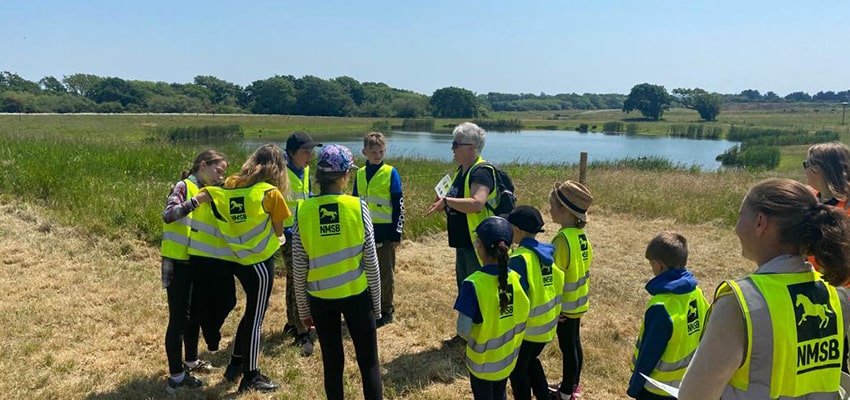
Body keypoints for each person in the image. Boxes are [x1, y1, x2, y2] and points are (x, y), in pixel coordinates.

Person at [678, 178, 850, 399]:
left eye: (740, 216)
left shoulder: (740, 304)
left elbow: (693, 396)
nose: (736, 228)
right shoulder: (835, 295)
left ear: (760, 223)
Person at [292, 144, 383, 400]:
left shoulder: (303, 210)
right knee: (369, 362)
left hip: (321, 300)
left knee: (332, 364)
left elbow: (299, 267)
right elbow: (371, 261)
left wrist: (303, 310)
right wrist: (377, 306)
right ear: (345, 176)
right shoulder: (357, 207)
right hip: (357, 296)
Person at [203, 143, 291, 394]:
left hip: (235, 259)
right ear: (278, 168)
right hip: (259, 262)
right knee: (256, 318)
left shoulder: (231, 184)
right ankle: (251, 375)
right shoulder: (270, 193)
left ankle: (235, 364)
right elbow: (279, 231)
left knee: (251, 312)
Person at [160, 150, 227, 393]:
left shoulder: (209, 191)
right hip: (178, 263)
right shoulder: (184, 186)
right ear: (203, 165)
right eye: (218, 170)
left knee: (194, 317)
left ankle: (190, 361)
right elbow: (168, 215)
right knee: (178, 320)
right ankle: (176, 377)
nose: (221, 176)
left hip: (197, 262)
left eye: (223, 173)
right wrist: (196, 201)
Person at [426, 122, 496, 340]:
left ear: (471, 147)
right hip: (464, 242)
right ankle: (465, 334)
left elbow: (477, 203)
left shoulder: (481, 172)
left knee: (477, 289)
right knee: (466, 287)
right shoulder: (462, 170)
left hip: (478, 245)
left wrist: (447, 201)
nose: (452, 148)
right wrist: (444, 202)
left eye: (456, 144)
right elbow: (457, 200)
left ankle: (479, 336)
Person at [454, 216, 530, 400]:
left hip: (482, 364)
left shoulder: (473, 284)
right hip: (507, 359)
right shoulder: (516, 278)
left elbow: (463, 329)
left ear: (480, 247)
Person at [627, 232, 708, 400]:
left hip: (656, 389)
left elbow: (649, 354)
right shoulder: (697, 294)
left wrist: (634, 387)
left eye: (651, 263)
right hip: (686, 385)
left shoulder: (661, 307)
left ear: (659, 265)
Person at [504, 206, 564, 400]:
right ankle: (544, 396)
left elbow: (515, 297)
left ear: (517, 230)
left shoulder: (519, 259)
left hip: (528, 330)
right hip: (546, 326)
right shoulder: (545, 254)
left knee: (517, 369)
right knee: (531, 361)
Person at [353, 132, 404, 327]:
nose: (378, 155)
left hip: (386, 232)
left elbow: (399, 205)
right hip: (364, 231)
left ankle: (386, 308)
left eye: (381, 151)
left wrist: (397, 233)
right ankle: (370, 306)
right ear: (364, 152)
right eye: (373, 152)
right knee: (366, 271)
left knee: (385, 273)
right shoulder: (359, 174)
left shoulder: (391, 172)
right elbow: (354, 203)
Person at [548, 180, 594, 400]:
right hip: (578, 301)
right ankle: (573, 384)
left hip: (565, 305)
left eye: (552, 206)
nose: (549, 210)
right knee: (575, 344)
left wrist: (555, 307)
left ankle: (566, 393)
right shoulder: (581, 236)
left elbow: (556, 277)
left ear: (564, 210)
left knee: (568, 348)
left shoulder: (562, 239)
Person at [282, 132, 322, 356]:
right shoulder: (280, 174)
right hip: (287, 235)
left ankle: (292, 322)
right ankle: (302, 330)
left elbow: (306, 196)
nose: (310, 156)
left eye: (311, 151)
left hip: (303, 232)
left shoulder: (305, 170)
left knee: (293, 279)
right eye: (305, 152)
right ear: (291, 153)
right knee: (300, 279)